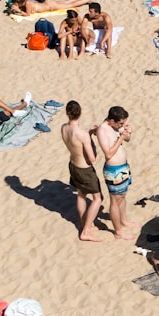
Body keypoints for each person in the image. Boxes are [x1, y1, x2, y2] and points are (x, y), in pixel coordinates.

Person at [61, 101, 103, 242]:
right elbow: (92, 158)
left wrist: (88, 134)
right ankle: (85, 230)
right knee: (97, 198)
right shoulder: (82, 134)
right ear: (80, 112)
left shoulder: (63, 128)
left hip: (73, 164)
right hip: (84, 169)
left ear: (67, 113)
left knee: (81, 195)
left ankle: (87, 223)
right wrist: (90, 138)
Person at [96, 106, 135, 240]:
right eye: (120, 123)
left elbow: (127, 140)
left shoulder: (115, 127)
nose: (121, 125)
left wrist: (127, 133)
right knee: (115, 200)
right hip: (113, 170)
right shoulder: (102, 130)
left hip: (123, 167)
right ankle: (118, 231)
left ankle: (123, 221)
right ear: (112, 120)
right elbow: (108, 153)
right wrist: (120, 138)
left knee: (123, 196)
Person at [11, 0, 90, 16]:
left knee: (71, 5)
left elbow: (27, 14)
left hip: (50, 6)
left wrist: (18, 10)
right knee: (67, 2)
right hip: (48, 3)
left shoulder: (27, 3)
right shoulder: (27, 1)